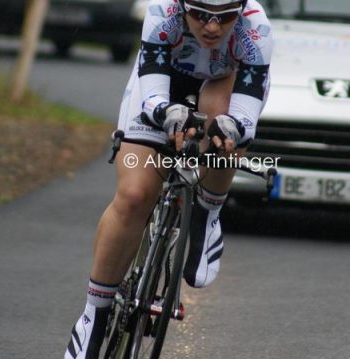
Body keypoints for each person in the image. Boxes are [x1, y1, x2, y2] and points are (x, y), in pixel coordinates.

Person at [64, 0, 272, 357]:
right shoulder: (163, 11)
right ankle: (94, 315)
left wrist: (233, 128)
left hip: (222, 84)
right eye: (200, 14)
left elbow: (247, 109)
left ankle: (207, 213)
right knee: (133, 196)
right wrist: (164, 111)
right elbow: (153, 89)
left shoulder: (255, 27)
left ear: (240, 11)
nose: (211, 27)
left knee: (223, 128)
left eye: (224, 18)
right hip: (162, 85)